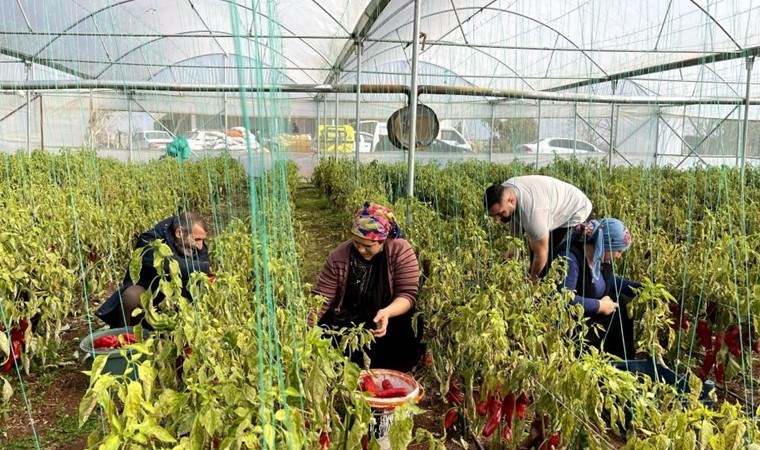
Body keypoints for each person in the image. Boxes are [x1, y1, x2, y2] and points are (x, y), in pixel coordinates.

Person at [312, 202, 423, 372]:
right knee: (333, 339)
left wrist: (387, 312)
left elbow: (407, 294)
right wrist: (305, 331)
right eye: (357, 243)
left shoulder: (400, 250)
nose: (361, 249)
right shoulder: (338, 257)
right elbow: (321, 300)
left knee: (412, 327)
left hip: (388, 320)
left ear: (383, 240)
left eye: (368, 245)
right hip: (351, 321)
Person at [95, 212, 211, 328]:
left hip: (174, 295)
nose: (200, 246)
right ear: (179, 233)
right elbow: (169, 264)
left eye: (202, 240)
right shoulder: (149, 241)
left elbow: (201, 266)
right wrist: (205, 268)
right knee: (132, 296)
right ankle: (131, 337)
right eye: (197, 239)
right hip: (150, 292)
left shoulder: (194, 242)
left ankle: (178, 330)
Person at [553, 218, 641, 359]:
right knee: (618, 308)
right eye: (618, 251)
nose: (619, 256)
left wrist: (639, 289)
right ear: (605, 245)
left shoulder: (599, 257)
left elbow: (606, 282)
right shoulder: (569, 258)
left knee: (623, 303)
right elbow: (563, 298)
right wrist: (600, 306)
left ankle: (623, 362)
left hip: (590, 316)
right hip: (574, 325)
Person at [484, 175, 593, 280]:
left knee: (555, 258)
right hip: (551, 204)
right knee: (537, 250)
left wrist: (533, 280)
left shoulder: (533, 215)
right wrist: (513, 247)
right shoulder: (504, 191)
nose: (497, 219)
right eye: (493, 215)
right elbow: (515, 217)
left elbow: (541, 254)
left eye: (500, 213)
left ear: (511, 201)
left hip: (576, 211)